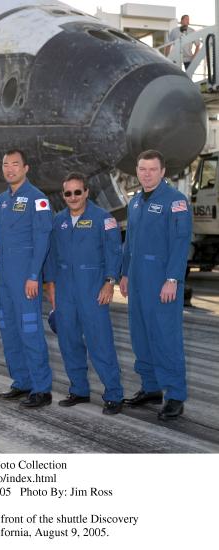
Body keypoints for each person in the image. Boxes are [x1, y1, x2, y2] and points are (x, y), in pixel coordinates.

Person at [120, 150, 192, 420]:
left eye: (152, 169)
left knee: (165, 337)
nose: (146, 174)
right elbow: (130, 243)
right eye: (142, 169)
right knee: (140, 335)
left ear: (163, 172)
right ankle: (150, 387)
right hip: (137, 279)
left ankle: (174, 394)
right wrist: (125, 274)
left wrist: (172, 279)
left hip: (162, 280)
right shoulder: (135, 202)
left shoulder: (176, 202)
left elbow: (180, 243)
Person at [44, 173, 124, 415]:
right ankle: (78, 389)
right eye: (68, 193)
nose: (73, 197)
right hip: (66, 290)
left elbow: (114, 252)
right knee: (68, 342)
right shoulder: (58, 222)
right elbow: (51, 257)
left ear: (86, 192)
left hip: (93, 289)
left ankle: (113, 394)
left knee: (100, 343)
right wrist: (51, 288)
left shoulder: (103, 219)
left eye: (77, 192)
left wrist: (110, 282)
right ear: (63, 195)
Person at [0, 149, 53, 408]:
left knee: (30, 329)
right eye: (6, 164)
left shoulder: (37, 199)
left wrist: (33, 276)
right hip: (5, 274)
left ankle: (42, 388)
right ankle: (22, 381)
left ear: (26, 168)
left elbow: (42, 240)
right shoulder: (0, 201)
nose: (10, 169)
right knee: (9, 329)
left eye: (15, 164)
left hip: (25, 276)